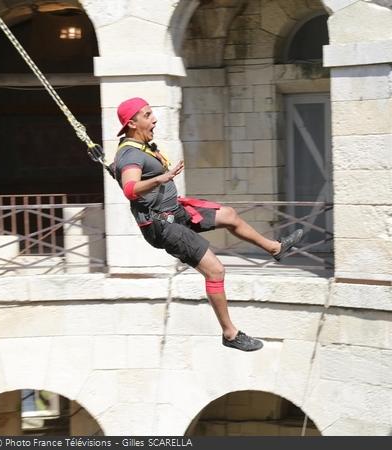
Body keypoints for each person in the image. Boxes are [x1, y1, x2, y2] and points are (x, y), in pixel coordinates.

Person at [110, 97, 303, 352]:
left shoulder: (138, 146)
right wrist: (161, 178)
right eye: (147, 115)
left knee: (229, 215)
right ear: (133, 123)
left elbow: (129, 177)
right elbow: (130, 189)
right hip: (163, 226)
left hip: (175, 211)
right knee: (215, 270)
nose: (154, 119)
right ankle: (230, 334)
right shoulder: (131, 154)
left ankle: (275, 248)